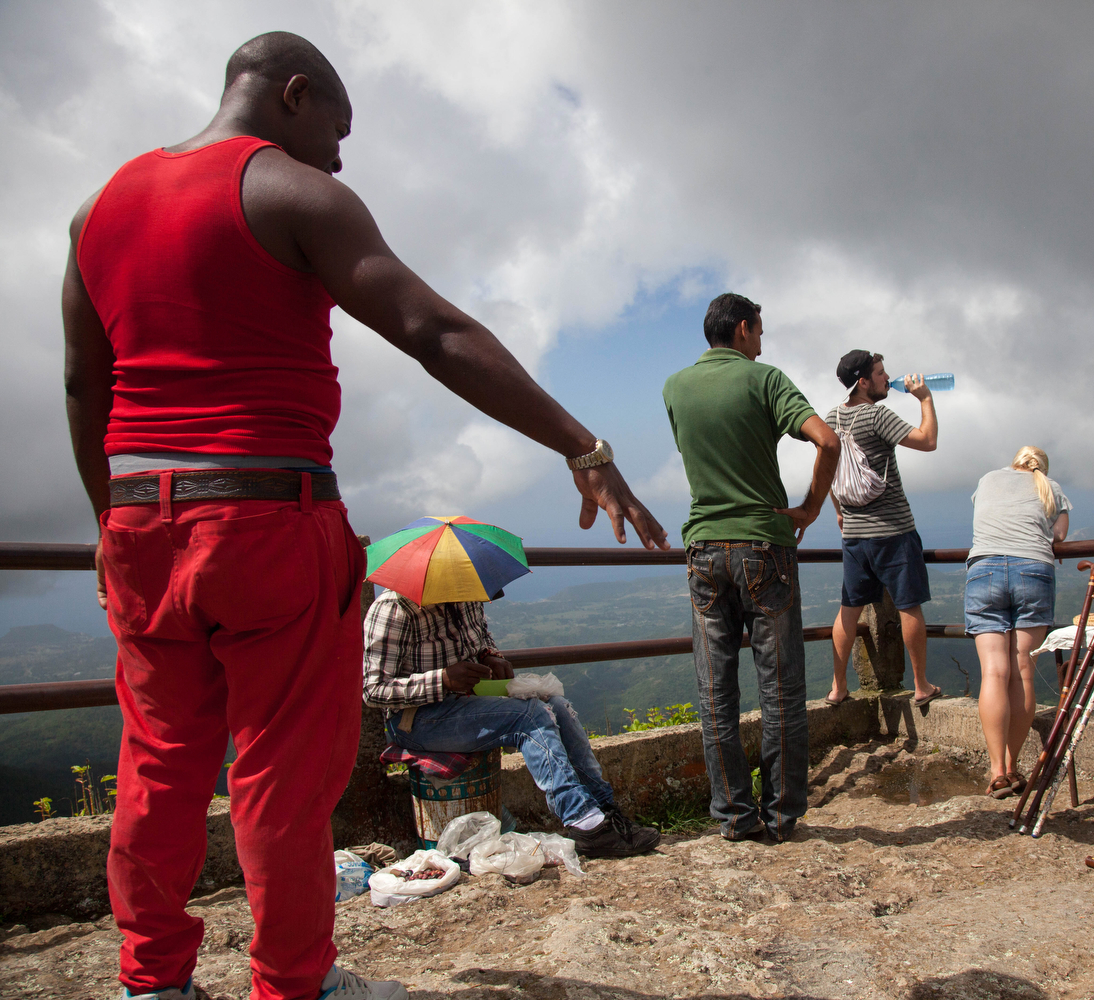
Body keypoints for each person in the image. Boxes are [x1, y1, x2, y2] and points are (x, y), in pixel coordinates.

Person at [62, 32, 667, 1000]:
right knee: (280, 773)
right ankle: (294, 983)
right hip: (265, 515)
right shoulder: (296, 193)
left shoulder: (97, 210)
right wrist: (581, 445)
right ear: (295, 94)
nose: (341, 156)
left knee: (158, 767)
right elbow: (433, 329)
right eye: (337, 130)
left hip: (139, 521)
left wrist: (112, 522)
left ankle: (154, 982)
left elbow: (84, 383)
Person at [661, 293, 840, 843]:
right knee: (781, 690)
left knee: (716, 693)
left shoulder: (675, 387)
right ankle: (781, 819)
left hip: (704, 552)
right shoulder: (764, 379)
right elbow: (827, 440)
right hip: (765, 548)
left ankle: (734, 819)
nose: (761, 342)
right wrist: (810, 507)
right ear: (743, 329)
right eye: (759, 332)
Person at [362, 590, 660, 857]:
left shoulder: (467, 597)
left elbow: (481, 642)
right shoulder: (395, 608)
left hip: (468, 703)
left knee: (557, 705)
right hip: (418, 719)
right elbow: (373, 690)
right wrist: (441, 679)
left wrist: (491, 657)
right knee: (529, 715)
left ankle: (604, 811)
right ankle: (584, 823)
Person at [823, 350, 940, 708]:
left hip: (855, 536)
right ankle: (921, 685)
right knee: (909, 607)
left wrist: (841, 512)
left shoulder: (831, 417)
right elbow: (927, 440)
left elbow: (828, 471)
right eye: (880, 373)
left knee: (848, 610)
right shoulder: (876, 414)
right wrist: (925, 399)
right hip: (893, 531)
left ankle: (837, 686)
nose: (888, 378)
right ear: (863, 382)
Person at [964, 446, 1072, 799]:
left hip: (984, 570)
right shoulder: (1051, 487)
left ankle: (996, 772)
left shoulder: (988, 480)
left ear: (1015, 463)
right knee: (1023, 669)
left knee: (994, 672)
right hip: (1033, 569)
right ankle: (1012, 767)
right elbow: (1059, 537)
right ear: (1041, 466)